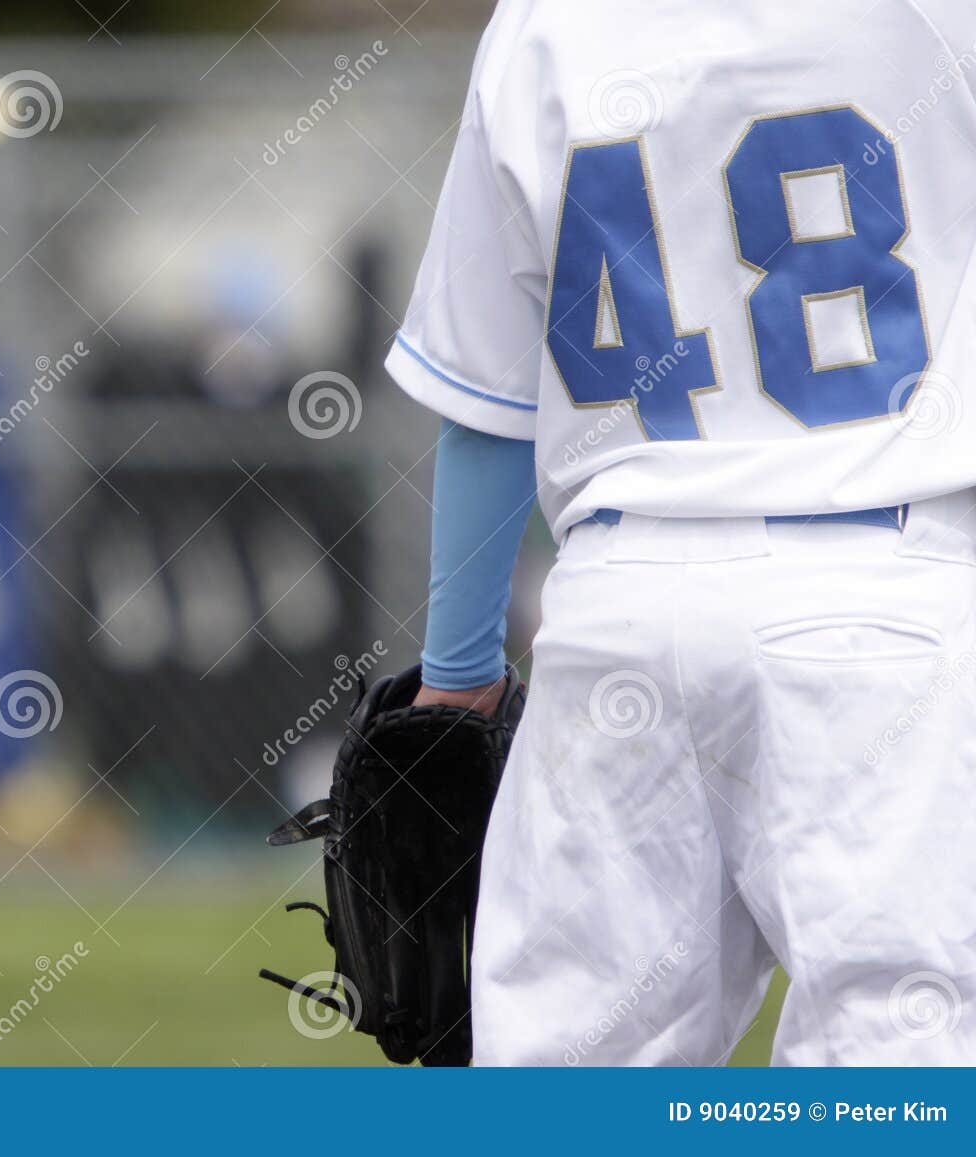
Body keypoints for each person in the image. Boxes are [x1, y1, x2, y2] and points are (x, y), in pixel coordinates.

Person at [394, 0, 976, 1064]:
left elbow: (487, 401)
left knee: (567, 1078)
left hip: (617, 603)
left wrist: (457, 676)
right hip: (885, 601)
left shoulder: (538, 24)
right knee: (903, 1065)